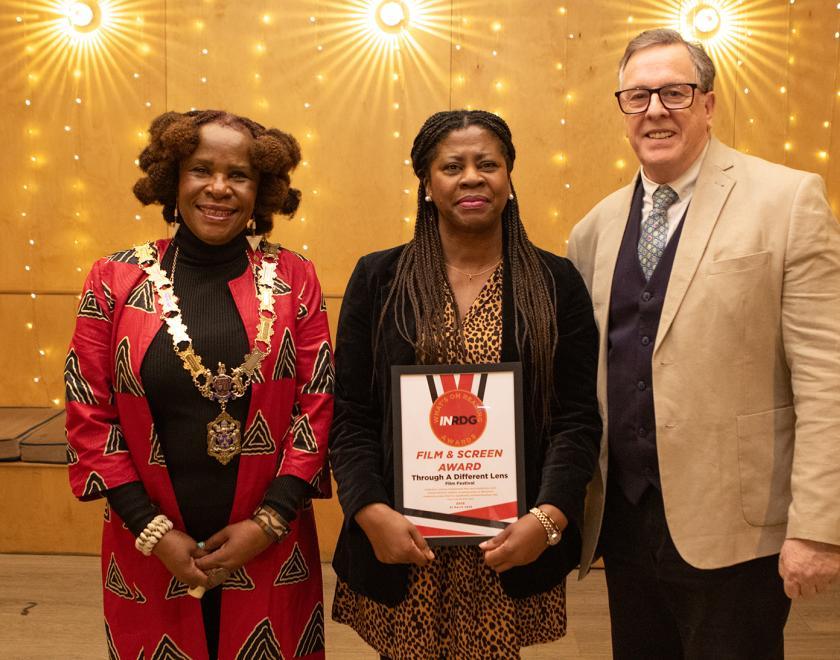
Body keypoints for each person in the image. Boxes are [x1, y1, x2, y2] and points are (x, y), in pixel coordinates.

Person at [568, 29, 840, 659]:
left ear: (709, 103)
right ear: (623, 110)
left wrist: (820, 529)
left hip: (738, 531)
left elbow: (827, 379)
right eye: (637, 96)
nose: (655, 110)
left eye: (674, 92)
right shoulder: (594, 228)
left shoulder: (788, 200)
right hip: (628, 526)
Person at [329, 109, 601, 658]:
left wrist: (549, 517)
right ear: (427, 185)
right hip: (406, 546)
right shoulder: (379, 278)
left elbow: (576, 418)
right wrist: (368, 510)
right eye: (452, 166)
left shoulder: (554, 283)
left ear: (508, 178)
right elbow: (352, 413)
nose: (472, 177)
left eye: (488, 164)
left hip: (507, 544)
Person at [64, 110, 333, 659]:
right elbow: (88, 413)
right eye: (200, 170)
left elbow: (317, 405)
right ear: (172, 179)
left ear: (262, 190)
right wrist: (151, 529)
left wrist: (268, 521)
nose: (219, 188)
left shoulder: (294, 278)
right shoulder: (113, 278)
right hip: (148, 546)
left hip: (270, 547)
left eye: (239, 175)